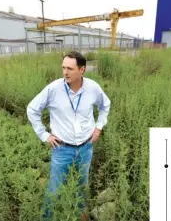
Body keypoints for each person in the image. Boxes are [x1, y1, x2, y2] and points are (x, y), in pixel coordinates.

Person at [27, 51, 111, 220]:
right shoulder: (53, 89)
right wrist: (44, 135)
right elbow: (32, 109)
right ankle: (47, 218)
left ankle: (80, 214)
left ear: (82, 70)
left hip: (86, 147)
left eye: (70, 69)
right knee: (55, 189)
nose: (65, 72)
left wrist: (99, 127)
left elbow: (105, 105)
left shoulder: (92, 88)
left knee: (82, 184)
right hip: (62, 148)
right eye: (63, 68)